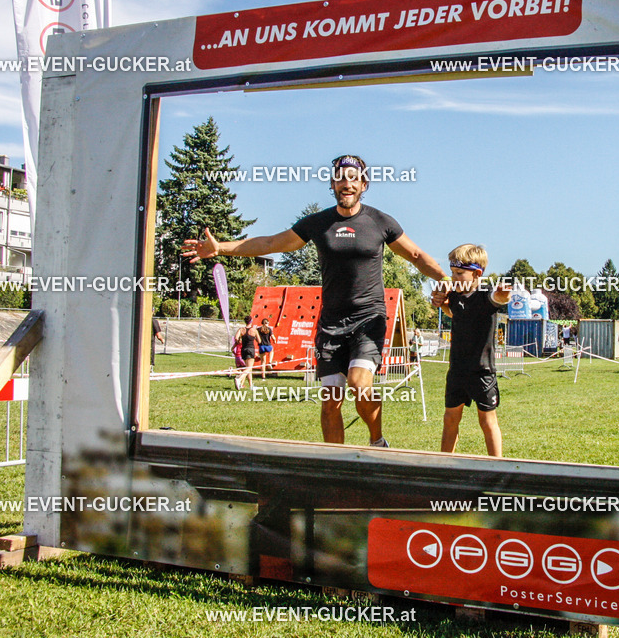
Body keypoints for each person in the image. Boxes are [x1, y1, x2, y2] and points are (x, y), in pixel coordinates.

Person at [183, 154, 447, 447]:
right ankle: (334, 462)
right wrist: (221, 248)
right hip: (331, 323)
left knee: (360, 385)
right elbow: (271, 243)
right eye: (340, 177)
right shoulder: (318, 223)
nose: (346, 183)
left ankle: (377, 442)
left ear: (364, 184)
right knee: (330, 401)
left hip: (368, 319)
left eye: (352, 177)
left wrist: (445, 279)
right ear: (333, 184)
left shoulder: (379, 221)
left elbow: (415, 255)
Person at [431, 244, 511, 458]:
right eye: (452, 272)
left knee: (487, 421)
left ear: (477, 274)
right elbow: (456, 313)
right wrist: (441, 304)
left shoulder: (486, 294)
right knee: (450, 419)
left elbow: (499, 298)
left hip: (482, 372)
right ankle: (443, 464)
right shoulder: (456, 296)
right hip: (457, 370)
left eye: (459, 273)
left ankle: (496, 467)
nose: (453, 277)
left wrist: (504, 294)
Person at [233, 317, 259, 390]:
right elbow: (259, 340)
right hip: (250, 349)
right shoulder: (254, 330)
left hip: (243, 350)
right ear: (251, 321)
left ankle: (251, 386)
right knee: (249, 368)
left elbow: (236, 337)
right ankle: (239, 379)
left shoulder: (241, 329)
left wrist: (239, 341)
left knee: (248, 369)